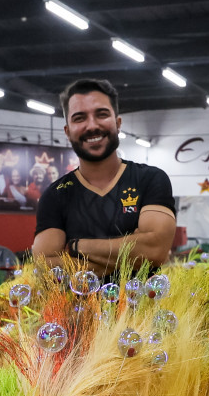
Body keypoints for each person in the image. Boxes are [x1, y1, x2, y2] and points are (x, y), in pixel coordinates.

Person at [31, 77, 176, 270]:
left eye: (101, 114)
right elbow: (44, 266)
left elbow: (154, 251)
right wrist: (131, 251)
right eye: (79, 118)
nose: (92, 126)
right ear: (67, 131)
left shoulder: (150, 179)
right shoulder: (55, 195)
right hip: (75, 301)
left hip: (146, 301)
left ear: (117, 123)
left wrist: (75, 246)